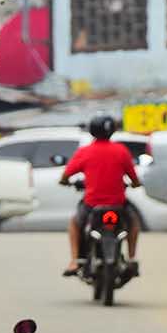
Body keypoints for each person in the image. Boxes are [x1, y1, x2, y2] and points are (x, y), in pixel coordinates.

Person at [61, 115, 141, 277]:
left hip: (91, 205)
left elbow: (66, 175)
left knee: (74, 224)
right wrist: (135, 184)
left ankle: (75, 260)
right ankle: (132, 258)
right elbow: (134, 178)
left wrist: (65, 181)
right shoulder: (121, 150)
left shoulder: (85, 152)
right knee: (133, 223)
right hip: (118, 205)